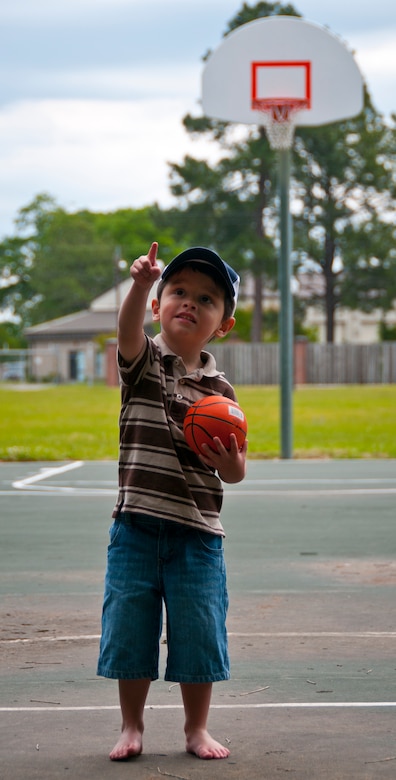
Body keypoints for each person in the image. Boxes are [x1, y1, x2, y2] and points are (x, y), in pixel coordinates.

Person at [97, 242, 247, 761]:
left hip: (198, 534)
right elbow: (127, 332)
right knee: (130, 630)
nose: (189, 302)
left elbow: (235, 471)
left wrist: (229, 463)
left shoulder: (220, 394)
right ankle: (131, 725)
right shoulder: (143, 363)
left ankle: (195, 729)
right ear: (160, 304)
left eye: (206, 299)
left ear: (222, 324)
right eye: (178, 291)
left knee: (199, 634)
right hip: (136, 527)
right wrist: (139, 284)